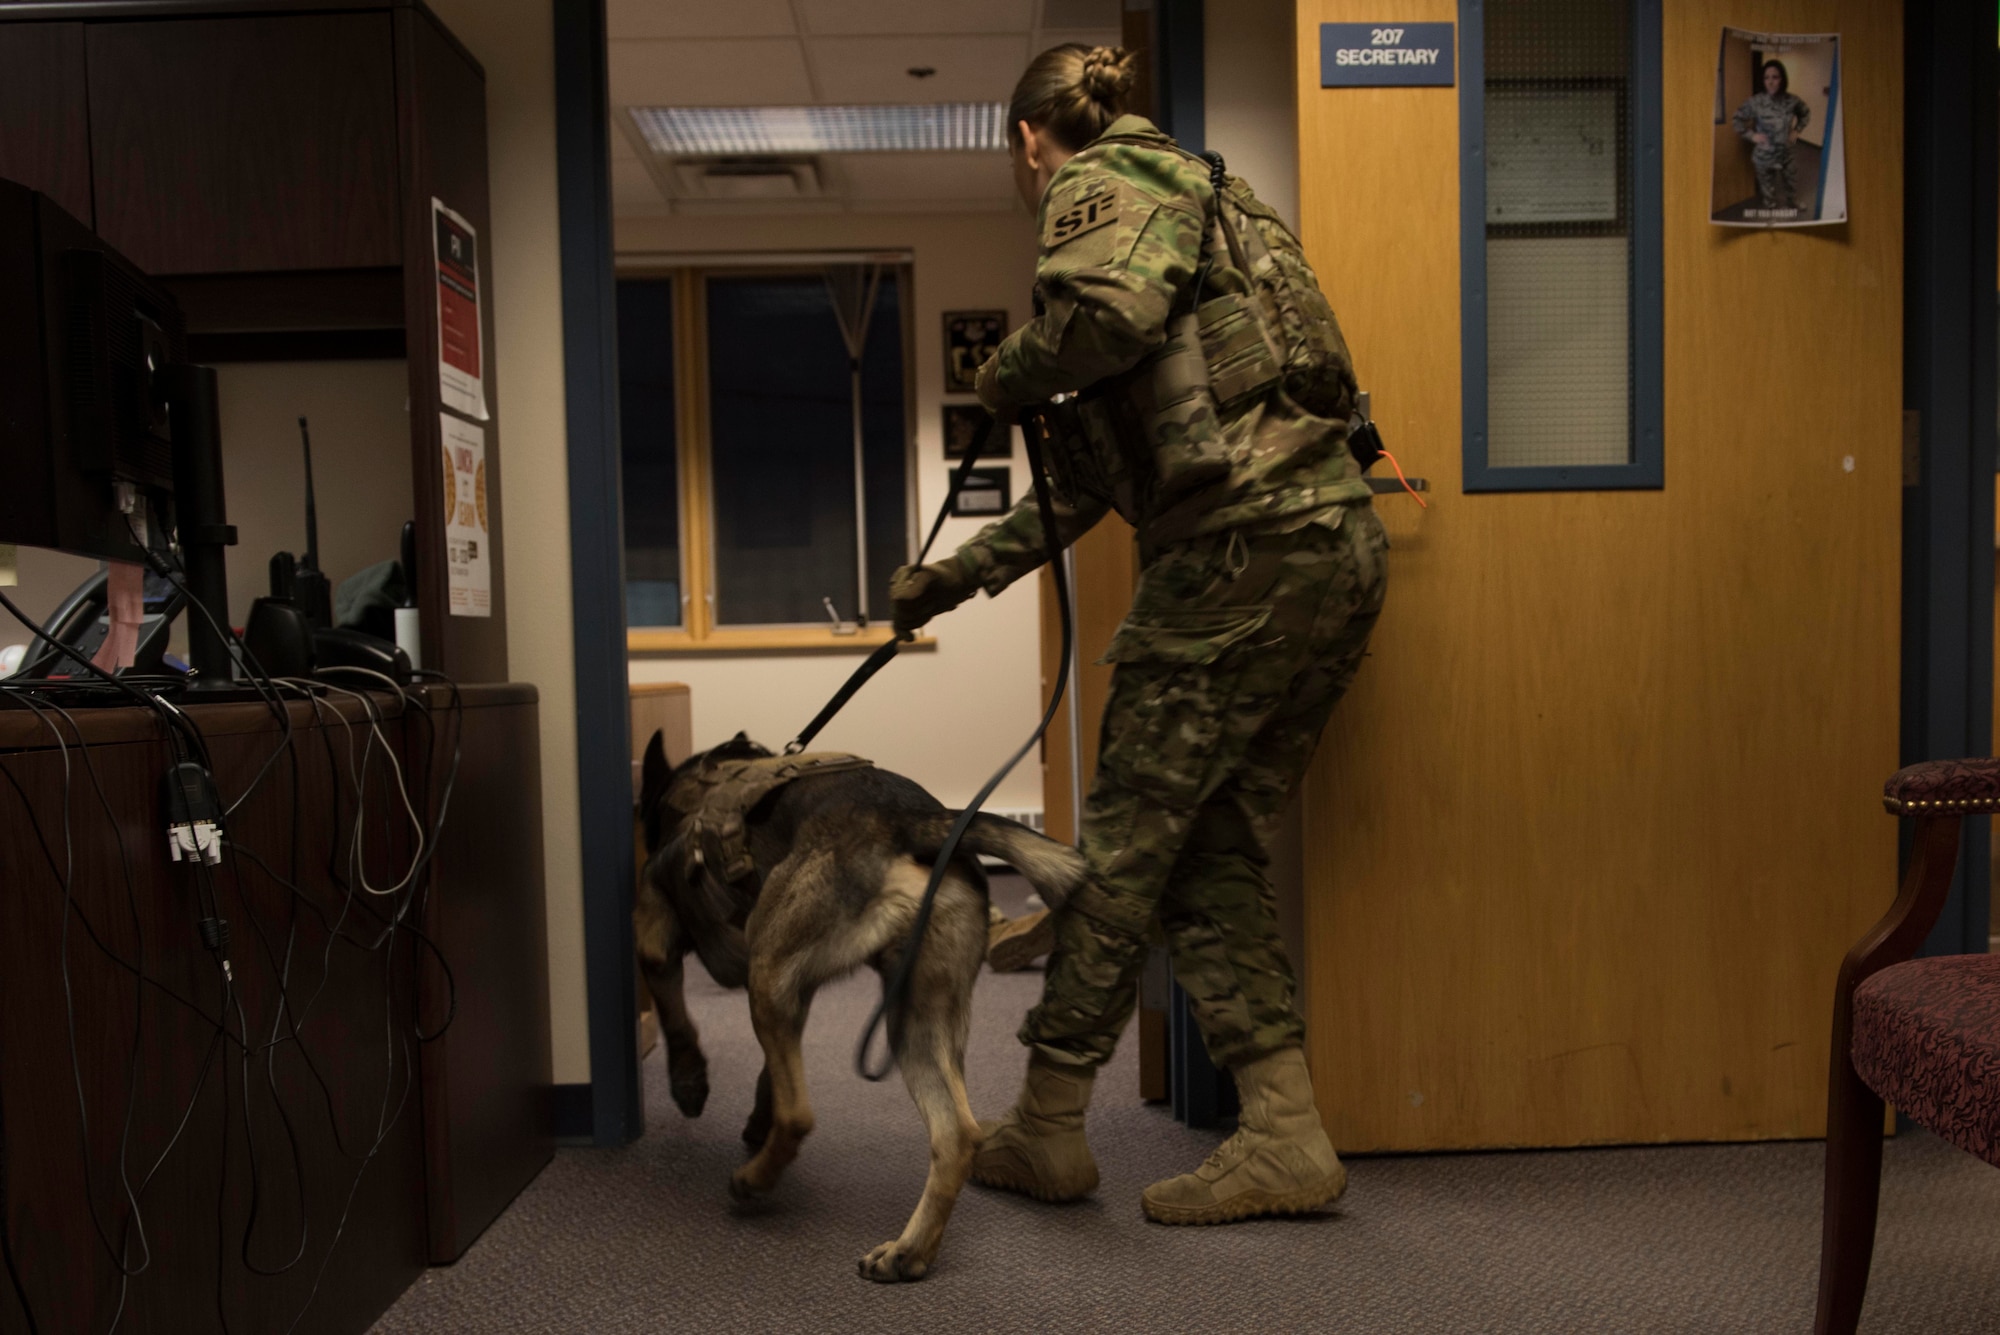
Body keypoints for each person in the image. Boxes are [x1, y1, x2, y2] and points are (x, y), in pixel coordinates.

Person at [888, 43, 1388, 1226]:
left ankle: (1050, 1128)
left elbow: (1101, 318)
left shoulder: (1097, 183)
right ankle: (1283, 1135)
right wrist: (945, 584)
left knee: (1110, 852)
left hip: (1238, 560)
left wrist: (1007, 366)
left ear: (1025, 140)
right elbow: (1071, 498)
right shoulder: (1206, 200)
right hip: (1324, 547)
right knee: (1201, 845)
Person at [1731, 59, 1811, 213]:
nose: (1771, 82)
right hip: (1765, 155)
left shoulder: (1792, 101)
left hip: (1787, 153)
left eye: (1775, 77)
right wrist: (1751, 135)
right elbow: (1737, 119)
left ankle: (1792, 202)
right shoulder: (1755, 102)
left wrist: (1797, 130)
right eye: (1766, 78)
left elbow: (1805, 113)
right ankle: (1771, 208)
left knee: (1791, 182)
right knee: (1768, 189)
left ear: (1782, 79)